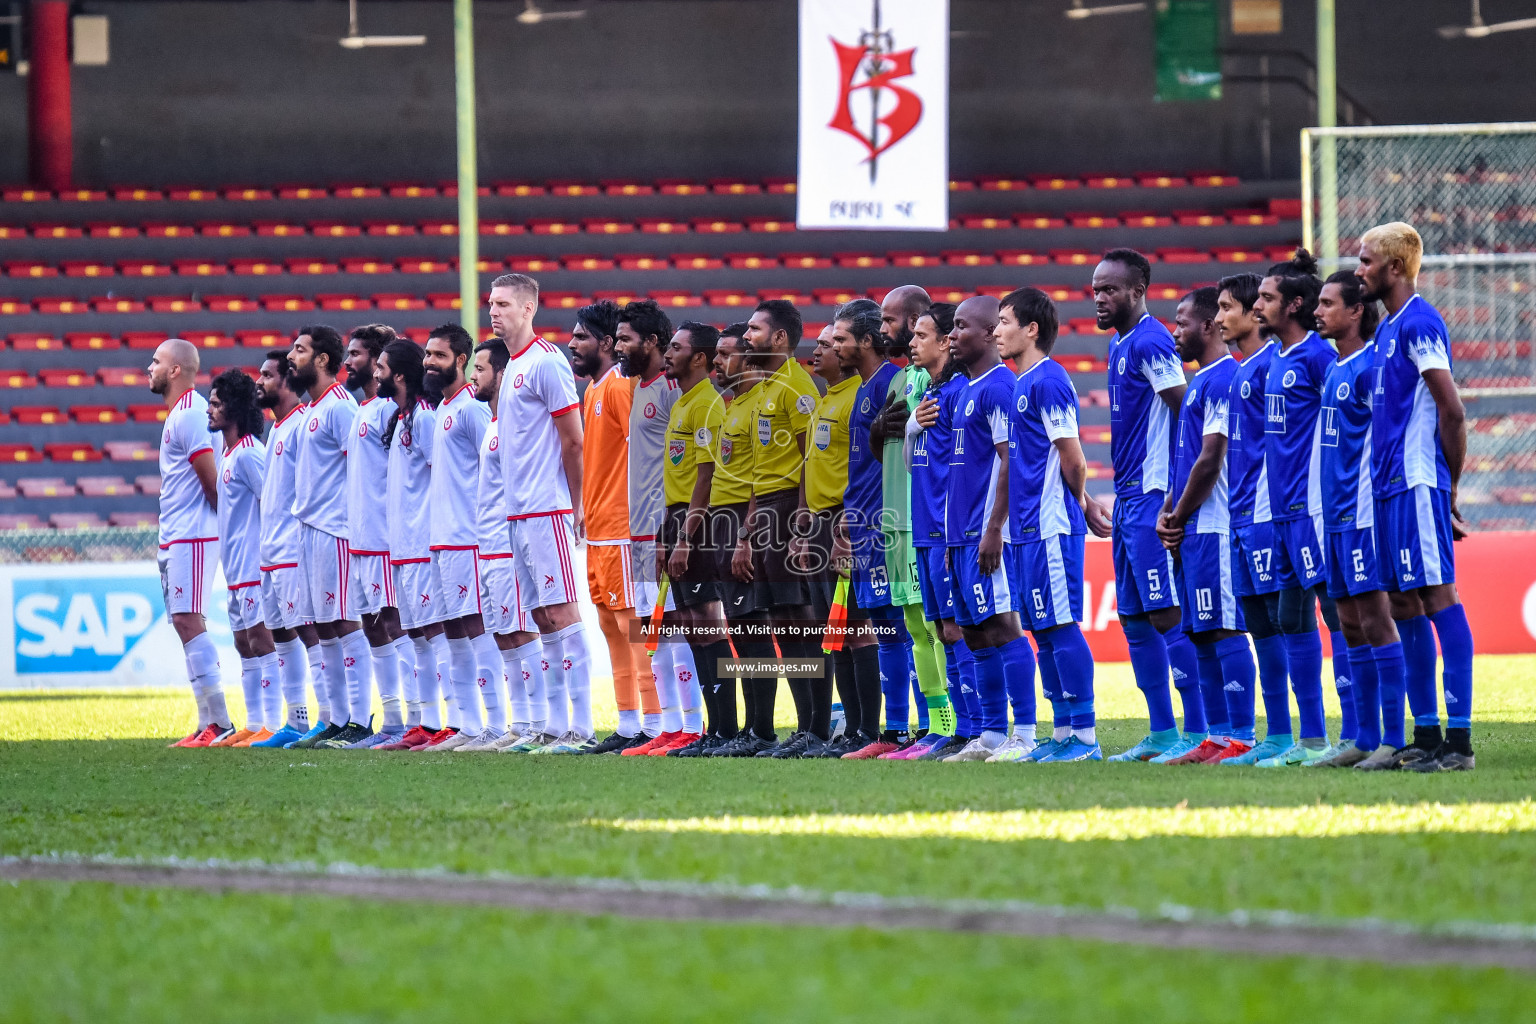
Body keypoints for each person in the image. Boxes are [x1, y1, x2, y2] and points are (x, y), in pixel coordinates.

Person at [1356, 222, 1476, 772]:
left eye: (1366, 261)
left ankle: (1460, 742)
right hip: (1385, 489)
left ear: (1396, 267)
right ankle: (1425, 736)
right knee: (1403, 603)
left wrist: (1448, 486)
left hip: (1416, 482)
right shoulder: (1387, 331)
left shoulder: (1421, 323)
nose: (1359, 270)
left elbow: (1451, 410)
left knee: (1437, 597)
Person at [1091, 250, 1197, 763]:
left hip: (1153, 492)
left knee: (1166, 611)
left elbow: (1188, 406)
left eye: (1110, 289)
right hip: (1129, 493)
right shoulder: (1120, 345)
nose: (1100, 298)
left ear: (1138, 291)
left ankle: (1198, 730)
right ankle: (1161, 731)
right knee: (1134, 617)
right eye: (1096, 290)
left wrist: (1178, 486)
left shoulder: (1152, 340)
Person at [997, 286, 1105, 763]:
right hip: (1024, 529)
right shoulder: (1022, 382)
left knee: (1060, 627)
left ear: (1031, 328)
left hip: (1048, 525)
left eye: (1004, 321)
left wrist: (1079, 501)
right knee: (1042, 630)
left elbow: (1073, 457)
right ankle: (1061, 734)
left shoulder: (1049, 380)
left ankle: (1084, 736)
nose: (997, 330)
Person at [491, 274, 595, 755]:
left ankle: (583, 727)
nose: (494, 311)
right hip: (518, 512)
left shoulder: (546, 362)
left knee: (562, 613)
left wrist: (577, 504)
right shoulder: (513, 366)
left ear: (529, 308)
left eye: (504, 303)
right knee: (540, 616)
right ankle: (554, 726)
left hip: (548, 507)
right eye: (492, 303)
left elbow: (573, 440)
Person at [1252, 250, 1347, 767]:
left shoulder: (1317, 357)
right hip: (1281, 512)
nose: (1258, 305)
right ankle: (1309, 738)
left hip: (1312, 509)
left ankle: (1356, 732)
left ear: (1293, 304)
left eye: (1266, 297)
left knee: (1338, 614)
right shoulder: (1275, 361)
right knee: (1291, 616)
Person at [1155, 287, 1256, 764]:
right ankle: (1217, 737)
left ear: (1210, 327)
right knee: (1199, 630)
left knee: (1223, 629)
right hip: (1192, 525)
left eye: (1182, 322)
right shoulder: (1199, 382)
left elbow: (1211, 460)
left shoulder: (1224, 379)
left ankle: (1244, 735)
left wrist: (1179, 512)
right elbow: (1189, 459)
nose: (1175, 332)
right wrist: (1170, 508)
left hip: (1214, 524)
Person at [939, 296, 1038, 762]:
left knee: (1002, 626)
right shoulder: (966, 389)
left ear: (985, 335)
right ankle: (992, 733)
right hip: (957, 537)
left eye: (961, 327)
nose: (952, 335)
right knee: (974, 633)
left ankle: (1027, 733)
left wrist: (993, 528)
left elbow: (1008, 462)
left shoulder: (1001, 387)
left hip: (985, 533)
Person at [1313, 270, 1405, 770]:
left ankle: (1393, 737)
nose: (1319, 312)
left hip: (1364, 513)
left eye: (1328, 304)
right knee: (1348, 623)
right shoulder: (1335, 368)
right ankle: (1364, 738)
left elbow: (1387, 438)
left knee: (1376, 620)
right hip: (1334, 516)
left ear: (1355, 312)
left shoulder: (1372, 366)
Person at [730, 300, 827, 752]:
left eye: (754, 329)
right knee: (785, 624)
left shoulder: (796, 386)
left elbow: (812, 456)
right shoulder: (767, 387)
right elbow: (757, 468)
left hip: (791, 507)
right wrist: (749, 529)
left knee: (803, 622)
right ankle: (804, 727)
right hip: (767, 508)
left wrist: (803, 522)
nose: (747, 336)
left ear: (780, 338)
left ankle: (816, 728)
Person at [569, 300, 661, 754]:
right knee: (609, 625)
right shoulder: (592, 391)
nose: (573, 343)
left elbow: (646, 454)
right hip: (599, 527)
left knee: (635, 628)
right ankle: (627, 724)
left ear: (606, 343)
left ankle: (656, 722)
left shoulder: (623, 389)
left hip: (625, 527)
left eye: (582, 336)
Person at [1210, 274, 1294, 766]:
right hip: (1240, 514)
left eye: (1226, 307)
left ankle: (1292, 736)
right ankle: (1276, 735)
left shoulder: (1270, 366)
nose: (1219, 318)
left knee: (1283, 623)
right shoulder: (1244, 370)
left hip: (1267, 512)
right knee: (1260, 627)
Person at [615, 299, 703, 756]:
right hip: (639, 530)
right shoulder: (640, 388)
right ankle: (670, 727)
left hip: (664, 528)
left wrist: (682, 527)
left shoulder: (671, 389)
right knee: (656, 634)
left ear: (651, 342)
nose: (618, 347)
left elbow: (688, 463)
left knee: (677, 628)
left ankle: (692, 725)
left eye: (626, 339)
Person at [871, 285, 952, 751]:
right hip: (896, 518)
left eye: (891, 319)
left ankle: (955, 723)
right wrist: (884, 427)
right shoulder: (901, 379)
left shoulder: (943, 380)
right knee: (917, 628)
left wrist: (905, 425)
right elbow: (885, 446)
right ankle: (937, 725)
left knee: (940, 626)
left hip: (927, 518)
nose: (885, 328)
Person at [834, 299, 914, 760]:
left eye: (842, 338)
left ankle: (917, 729)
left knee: (903, 625)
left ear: (866, 341)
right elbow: (861, 465)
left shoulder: (892, 384)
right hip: (862, 524)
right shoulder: (862, 390)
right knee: (884, 625)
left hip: (887, 524)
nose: (835, 345)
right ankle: (892, 731)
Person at [285, 325, 371, 749]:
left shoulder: (340, 407)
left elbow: (357, 467)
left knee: (344, 621)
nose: (290, 356)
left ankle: (360, 718)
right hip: (309, 530)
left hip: (334, 530)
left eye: (299, 350)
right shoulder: (312, 409)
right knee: (322, 626)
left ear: (322, 359)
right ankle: (338, 719)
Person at [420, 323, 503, 751]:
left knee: (477, 629)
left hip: (468, 537)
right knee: (453, 631)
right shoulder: (442, 410)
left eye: (438, 355)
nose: (429, 362)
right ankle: (470, 726)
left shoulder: (472, 408)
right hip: (441, 538)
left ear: (461, 360)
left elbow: (490, 468)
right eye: (427, 354)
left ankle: (498, 723)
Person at [908, 303, 982, 761]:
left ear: (943, 344)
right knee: (940, 628)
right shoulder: (929, 394)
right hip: (924, 528)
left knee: (958, 630)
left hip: (947, 531)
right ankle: (959, 728)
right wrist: (914, 427)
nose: (912, 342)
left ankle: (977, 727)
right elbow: (909, 464)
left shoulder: (957, 392)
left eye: (921, 334)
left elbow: (966, 467)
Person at [788, 323, 866, 758]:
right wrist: (803, 525)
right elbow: (810, 465)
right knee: (829, 634)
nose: (817, 351)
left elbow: (858, 471)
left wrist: (845, 528)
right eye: (818, 343)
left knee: (854, 630)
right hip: (817, 523)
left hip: (841, 521)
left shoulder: (856, 395)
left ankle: (862, 730)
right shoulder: (824, 400)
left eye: (828, 344)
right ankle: (841, 731)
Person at [657, 322, 733, 756]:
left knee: (708, 622)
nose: (668, 353)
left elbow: (706, 474)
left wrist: (686, 536)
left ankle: (727, 728)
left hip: (696, 520)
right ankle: (713, 729)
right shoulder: (685, 402)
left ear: (699, 358)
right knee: (690, 626)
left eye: (676, 347)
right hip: (677, 517)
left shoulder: (708, 404)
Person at [462, 336, 542, 752]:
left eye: (480, 369)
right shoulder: (492, 424)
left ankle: (539, 723)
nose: (472, 376)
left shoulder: (513, 422)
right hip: (487, 543)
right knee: (504, 637)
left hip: (510, 543)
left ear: (502, 373)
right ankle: (521, 723)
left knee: (523, 634)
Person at [704, 323, 778, 758]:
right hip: (724, 521)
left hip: (742, 522)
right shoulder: (733, 404)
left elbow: (758, 478)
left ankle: (763, 729)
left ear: (747, 360)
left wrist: (746, 535)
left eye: (725, 354)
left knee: (753, 628)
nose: (716, 362)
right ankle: (750, 728)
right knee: (740, 628)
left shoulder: (754, 409)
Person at [337, 324, 412, 749]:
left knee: (394, 624)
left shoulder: (389, 411)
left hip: (384, 537)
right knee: (371, 627)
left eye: (358, 354)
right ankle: (391, 720)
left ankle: (414, 719)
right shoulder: (363, 408)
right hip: (360, 538)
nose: (350, 361)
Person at [151, 338, 228, 747]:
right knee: (185, 623)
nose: (150, 367)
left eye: (157, 361)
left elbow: (211, 482)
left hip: (195, 532)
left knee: (189, 620)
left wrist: (220, 528)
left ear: (176, 370)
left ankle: (220, 722)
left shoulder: (191, 415)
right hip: (180, 533)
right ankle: (206, 722)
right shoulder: (180, 414)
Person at [373, 339, 448, 750]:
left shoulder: (424, 419)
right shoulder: (402, 419)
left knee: (434, 633)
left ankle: (445, 722)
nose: (376, 374)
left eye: (382, 367)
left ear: (400, 375)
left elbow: (440, 476)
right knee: (416, 634)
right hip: (402, 545)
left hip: (422, 543)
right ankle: (423, 721)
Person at [206, 368, 280, 747]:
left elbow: (272, 502)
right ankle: (253, 723)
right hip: (234, 567)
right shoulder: (229, 454)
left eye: (216, 404)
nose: (209, 410)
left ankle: (272, 722)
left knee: (262, 640)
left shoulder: (251, 453)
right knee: (242, 643)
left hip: (254, 564)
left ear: (234, 408)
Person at [251, 350, 320, 748]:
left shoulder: (300, 426)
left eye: (267, 375)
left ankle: (330, 717)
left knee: (310, 633)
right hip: (271, 551)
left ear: (287, 381)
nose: (259, 382)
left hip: (294, 549)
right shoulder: (276, 429)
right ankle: (295, 719)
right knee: (281, 635)